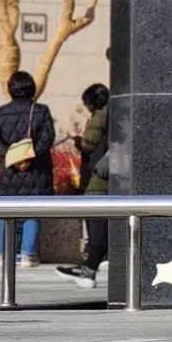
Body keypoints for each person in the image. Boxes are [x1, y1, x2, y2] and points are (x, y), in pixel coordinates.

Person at [0, 71, 55, 270]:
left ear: (11, 89)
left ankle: (1, 254)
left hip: (9, 173)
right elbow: (47, 138)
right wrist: (30, 156)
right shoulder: (41, 111)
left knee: (5, 212)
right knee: (32, 212)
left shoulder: (1, 113)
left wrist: (12, 158)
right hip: (37, 171)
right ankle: (27, 254)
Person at [58, 84, 108, 289]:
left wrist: (75, 138)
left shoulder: (99, 117)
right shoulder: (113, 113)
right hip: (104, 179)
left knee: (96, 226)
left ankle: (88, 271)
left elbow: (89, 145)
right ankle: (89, 268)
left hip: (97, 180)